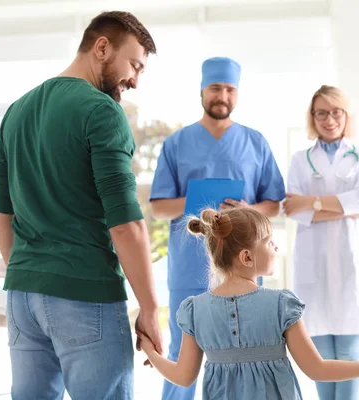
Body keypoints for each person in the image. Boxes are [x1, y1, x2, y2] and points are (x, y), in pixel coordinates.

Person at [0, 11, 162, 400]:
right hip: (85, 294)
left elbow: (1, 212)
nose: (134, 79)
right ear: (102, 47)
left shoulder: (16, 111)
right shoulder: (101, 111)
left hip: (22, 298)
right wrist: (150, 309)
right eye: (134, 65)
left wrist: (31, 272)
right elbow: (125, 223)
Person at [136, 207, 359, 400]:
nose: (276, 247)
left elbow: (183, 376)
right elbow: (317, 369)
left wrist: (150, 351)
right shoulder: (280, 305)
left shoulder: (196, 311)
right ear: (247, 257)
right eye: (269, 242)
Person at [149, 56, 285, 399]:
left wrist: (247, 210)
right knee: (183, 352)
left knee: (250, 351)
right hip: (190, 266)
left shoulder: (255, 142)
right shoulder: (176, 144)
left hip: (244, 264)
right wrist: (199, 201)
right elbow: (159, 207)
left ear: (236, 94)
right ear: (202, 91)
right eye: (215, 88)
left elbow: (275, 203)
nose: (222, 95)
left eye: (229, 89)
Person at [283, 85, 359, 400]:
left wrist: (314, 204)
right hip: (313, 263)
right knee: (320, 351)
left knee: (349, 349)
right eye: (321, 113)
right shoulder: (301, 159)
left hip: (351, 258)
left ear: (346, 115)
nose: (329, 119)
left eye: (335, 112)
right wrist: (341, 207)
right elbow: (294, 210)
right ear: (313, 118)